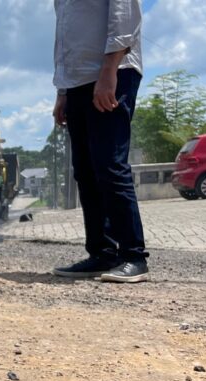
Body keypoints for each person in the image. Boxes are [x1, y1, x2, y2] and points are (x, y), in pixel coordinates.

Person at [52, 0, 148, 283]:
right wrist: (62, 90)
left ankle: (134, 256)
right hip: (76, 81)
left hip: (114, 72)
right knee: (85, 169)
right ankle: (102, 253)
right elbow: (63, 37)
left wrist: (109, 72)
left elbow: (125, 16)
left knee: (109, 164)